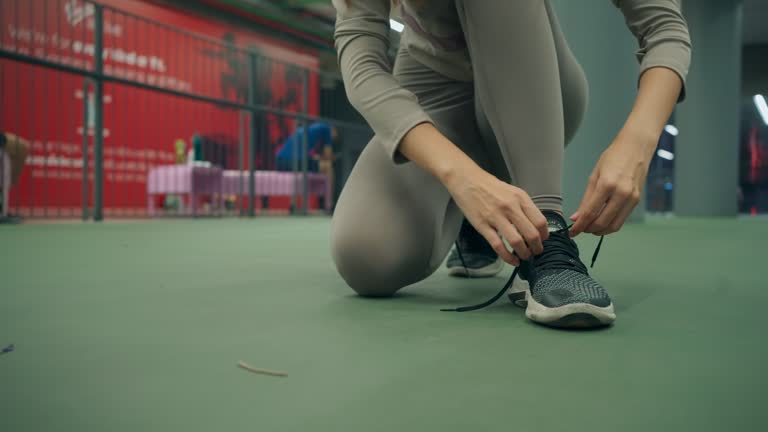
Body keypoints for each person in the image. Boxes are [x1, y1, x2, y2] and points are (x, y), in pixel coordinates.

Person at [330, 0, 690, 328]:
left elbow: (664, 28)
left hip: (536, 88)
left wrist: (637, 146)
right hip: (432, 87)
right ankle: (478, 221)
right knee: (367, 257)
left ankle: (543, 233)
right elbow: (361, 60)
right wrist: (461, 177)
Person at [0, 132, 30, 224]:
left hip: (3, 142)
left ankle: (3, 212)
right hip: (2, 145)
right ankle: (3, 213)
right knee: (4, 181)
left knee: (4, 181)